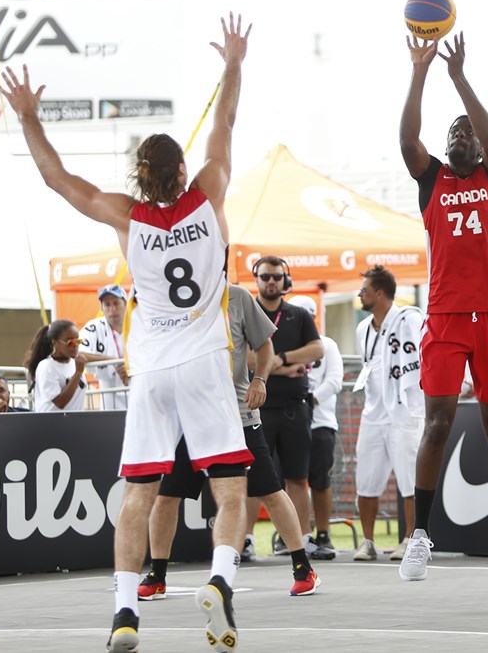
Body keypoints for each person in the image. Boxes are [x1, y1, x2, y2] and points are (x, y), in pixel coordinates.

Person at [0, 13, 253, 652]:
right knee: (229, 492)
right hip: (202, 361)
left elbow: (56, 180)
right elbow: (223, 127)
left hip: (151, 370)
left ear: (141, 174)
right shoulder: (211, 192)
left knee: (136, 493)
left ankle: (123, 615)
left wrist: (29, 114)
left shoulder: (125, 218)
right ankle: (221, 581)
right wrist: (232, 64)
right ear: (182, 169)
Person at [399, 31, 488, 580]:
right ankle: (419, 538)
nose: (461, 134)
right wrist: (421, 70)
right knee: (436, 424)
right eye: (453, 130)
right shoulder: (432, 177)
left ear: (480, 146)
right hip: (446, 319)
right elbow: (407, 136)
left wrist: (459, 78)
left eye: (468, 131)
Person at [139, 284, 318, 601]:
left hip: (235, 415)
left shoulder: (237, 296)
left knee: (270, 491)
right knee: (167, 496)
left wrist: (260, 380)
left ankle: (303, 567)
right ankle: (157, 574)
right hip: (186, 416)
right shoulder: (171, 296)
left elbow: (265, 346)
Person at [252, 255, 324, 556]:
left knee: (297, 476)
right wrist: (280, 368)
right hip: (256, 408)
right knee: (254, 477)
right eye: (266, 276)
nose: (271, 282)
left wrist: (279, 359)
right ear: (256, 279)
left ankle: (303, 537)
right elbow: (240, 356)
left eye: (277, 277)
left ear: (285, 280)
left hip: (294, 407)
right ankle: (244, 539)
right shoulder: (247, 311)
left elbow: (317, 348)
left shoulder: (298, 314)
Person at [352, 266, 424, 563]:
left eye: (364, 290)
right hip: (374, 412)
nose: (360, 294)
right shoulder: (363, 329)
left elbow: (425, 354)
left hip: (406, 411)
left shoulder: (410, 319)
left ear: (380, 293)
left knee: (409, 478)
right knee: (366, 479)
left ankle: (410, 539)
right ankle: (367, 541)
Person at [289, 294, 342, 561]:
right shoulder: (284, 344)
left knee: (320, 480)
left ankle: (323, 533)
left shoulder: (327, 344)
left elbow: (334, 381)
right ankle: (299, 535)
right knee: (293, 479)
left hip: (320, 420)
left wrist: (309, 400)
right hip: (291, 420)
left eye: (308, 315)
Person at [80, 283, 130, 410]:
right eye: (107, 304)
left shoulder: (138, 324)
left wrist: (130, 365)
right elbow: (78, 353)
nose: (112, 309)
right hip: (110, 403)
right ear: (102, 308)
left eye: (116, 303)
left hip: (139, 396)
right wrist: (113, 362)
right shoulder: (94, 328)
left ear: (125, 304)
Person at [24, 320, 88, 412]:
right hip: (52, 423)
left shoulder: (75, 363)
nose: (76, 345)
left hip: (74, 422)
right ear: (54, 343)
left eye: (78, 340)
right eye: (70, 342)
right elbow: (60, 402)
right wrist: (78, 373)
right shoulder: (47, 366)